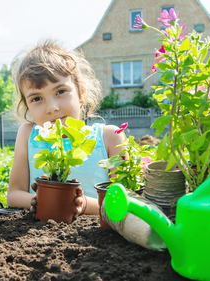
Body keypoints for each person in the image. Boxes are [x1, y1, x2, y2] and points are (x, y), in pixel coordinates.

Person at [7, 39, 125, 215]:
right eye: (37, 98)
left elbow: (125, 201)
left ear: (81, 92)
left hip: (96, 237)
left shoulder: (110, 137)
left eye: (60, 91)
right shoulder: (27, 134)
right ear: (27, 106)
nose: (52, 107)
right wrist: (38, 200)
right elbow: (14, 195)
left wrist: (82, 204)